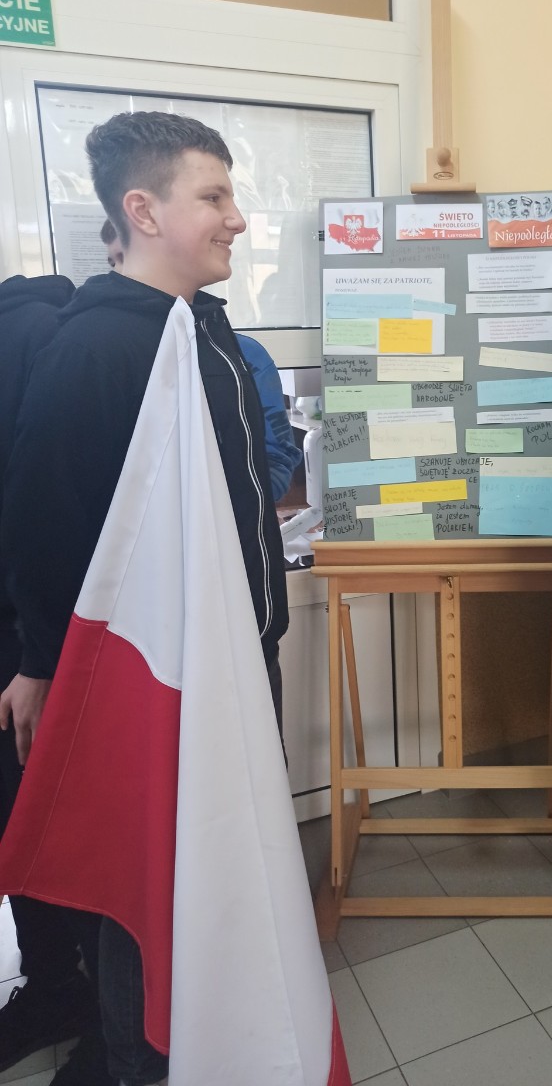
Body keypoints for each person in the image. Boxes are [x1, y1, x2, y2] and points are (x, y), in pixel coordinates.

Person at [1, 111, 290, 1086]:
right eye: (213, 196)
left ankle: (214, 1034)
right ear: (143, 210)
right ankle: (140, 1064)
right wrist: (42, 662)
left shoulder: (202, 327)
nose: (236, 218)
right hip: (159, 685)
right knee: (152, 891)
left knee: (219, 876)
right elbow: (43, 525)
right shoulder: (96, 350)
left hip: (239, 663)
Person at [0, 272, 112, 1086]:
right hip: (24, 640)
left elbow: (51, 511)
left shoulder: (40, 335)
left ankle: (115, 1022)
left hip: (37, 642)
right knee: (15, 832)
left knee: (66, 832)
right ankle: (53, 989)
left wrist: (37, 657)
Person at [102, 218, 302, 502]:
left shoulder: (246, 356)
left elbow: (278, 456)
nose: (123, 274)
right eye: (115, 262)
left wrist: (229, 508)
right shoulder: (101, 354)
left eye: (132, 259)